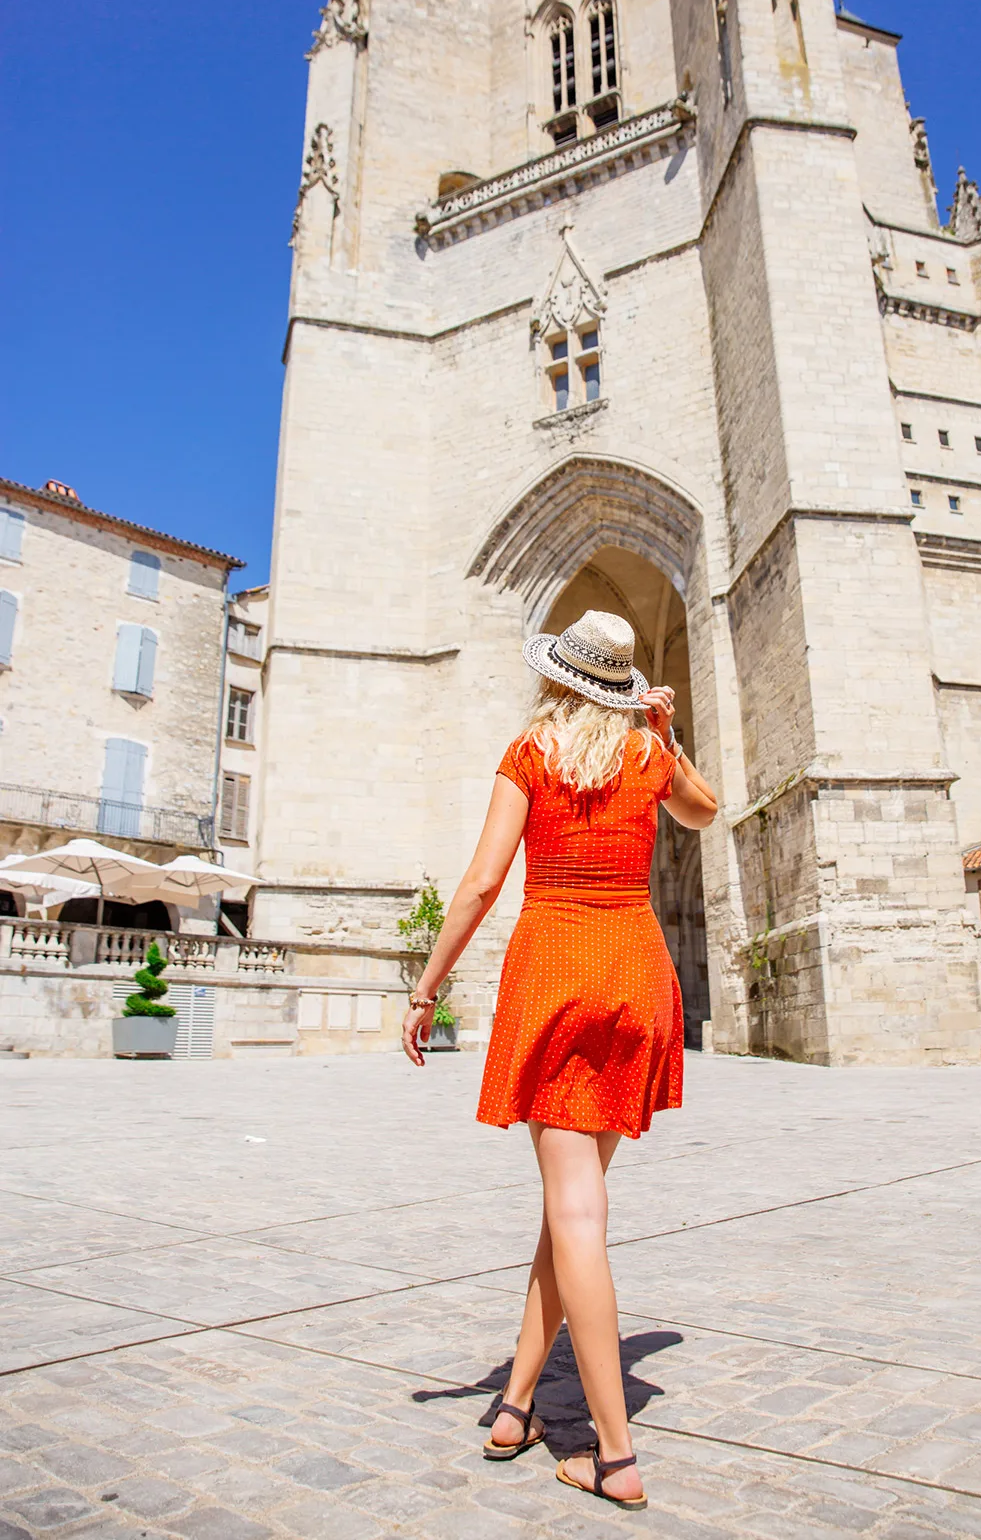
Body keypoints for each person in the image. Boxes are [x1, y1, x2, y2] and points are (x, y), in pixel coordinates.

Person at [402, 609, 718, 1511]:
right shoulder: (646, 758)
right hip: (637, 979)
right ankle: (516, 1407)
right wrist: (665, 736)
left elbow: (480, 883)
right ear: (617, 687)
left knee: (575, 1212)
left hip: (557, 977)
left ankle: (613, 1454)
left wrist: (426, 988)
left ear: (557, 677)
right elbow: (703, 813)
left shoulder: (530, 754)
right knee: (564, 1214)